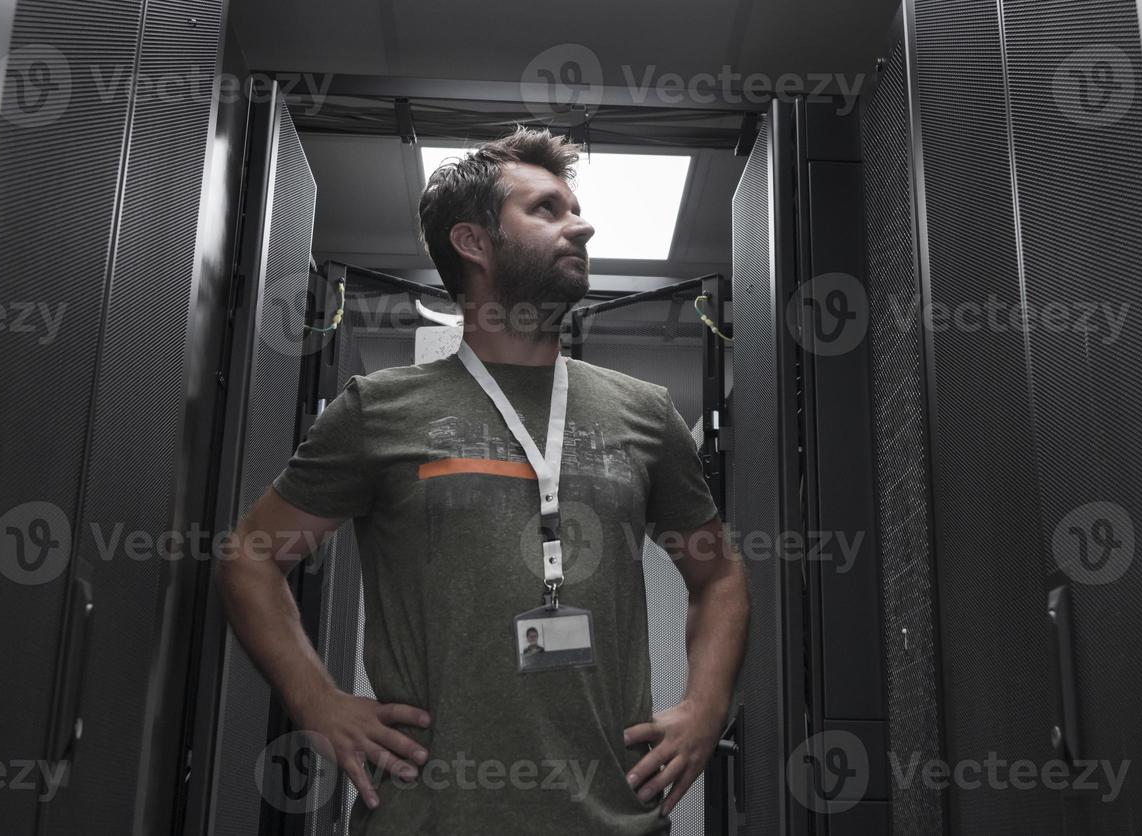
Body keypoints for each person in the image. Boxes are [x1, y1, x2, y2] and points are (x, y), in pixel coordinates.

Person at [214, 127, 749, 834]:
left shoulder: (645, 412)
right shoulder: (378, 410)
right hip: (428, 818)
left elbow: (720, 577)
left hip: (613, 820)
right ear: (473, 243)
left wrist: (705, 709)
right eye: (548, 209)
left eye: (575, 208)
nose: (582, 225)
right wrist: (318, 702)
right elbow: (250, 558)